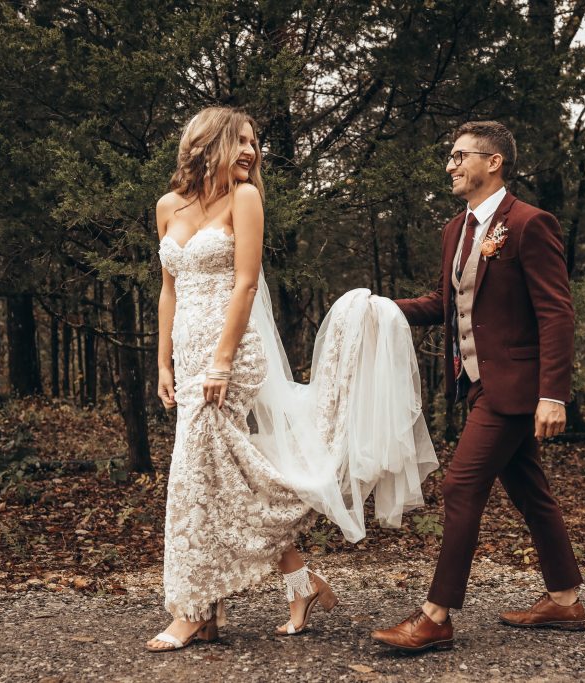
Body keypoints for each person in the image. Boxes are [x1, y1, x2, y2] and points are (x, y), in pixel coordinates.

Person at [146, 106, 437, 651]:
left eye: (256, 143)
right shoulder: (167, 206)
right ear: (209, 143)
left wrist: (222, 361)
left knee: (192, 478)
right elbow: (168, 290)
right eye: (242, 141)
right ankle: (292, 583)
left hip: (229, 354)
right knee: (217, 478)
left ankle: (191, 610)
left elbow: (246, 283)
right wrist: (162, 361)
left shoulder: (245, 199)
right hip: (185, 358)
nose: (252, 152)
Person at [371, 121, 585, 653]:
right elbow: (447, 305)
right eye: (450, 156)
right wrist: (377, 309)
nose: (450, 165)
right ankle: (564, 599)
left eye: (459, 156)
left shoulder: (531, 224)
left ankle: (436, 615)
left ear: (494, 162)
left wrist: (552, 395)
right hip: (477, 385)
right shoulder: (455, 230)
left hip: (516, 387)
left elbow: (556, 313)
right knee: (531, 493)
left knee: (461, 486)